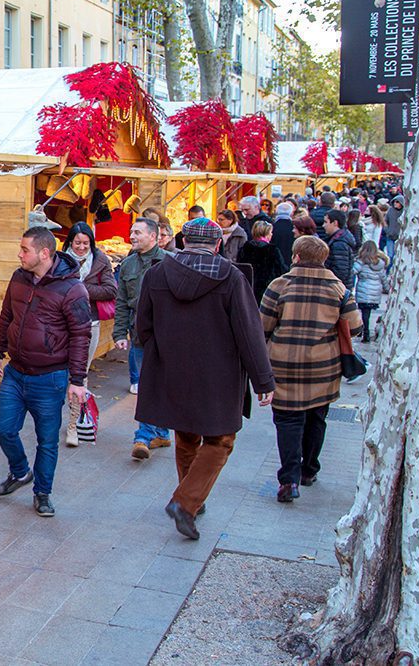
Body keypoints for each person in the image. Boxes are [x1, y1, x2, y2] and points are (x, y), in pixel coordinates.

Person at [134, 219, 275, 539]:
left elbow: (142, 326)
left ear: (183, 241)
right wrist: (263, 381)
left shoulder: (156, 274)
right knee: (221, 440)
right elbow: (249, 333)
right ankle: (186, 502)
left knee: (186, 435)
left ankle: (192, 497)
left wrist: (163, 352)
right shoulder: (231, 277)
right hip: (218, 373)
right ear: (217, 244)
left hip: (172, 368)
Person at [0, 226, 91, 518]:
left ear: (44, 253)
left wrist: (77, 380)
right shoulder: (19, 277)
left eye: (25, 250)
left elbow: (81, 335)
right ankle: (21, 472)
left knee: (46, 440)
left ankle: (42, 493)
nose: (20, 254)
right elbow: (6, 314)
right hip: (16, 372)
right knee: (3, 429)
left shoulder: (73, 289)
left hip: (50, 378)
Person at [260, 237, 362, 502]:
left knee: (288, 421)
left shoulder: (279, 285)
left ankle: (288, 480)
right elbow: (355, 327)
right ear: (323, 259)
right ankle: (308, 470)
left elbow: (263, 327)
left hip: (283, 364)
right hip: (323, 367)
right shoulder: (338, 289)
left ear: (295, 256)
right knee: (317, 418)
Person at [113, 218, 172, 459]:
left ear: (154, 236)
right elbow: (121, 303)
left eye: (137, 232)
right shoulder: (127, 265)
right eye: (131, 232)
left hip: (165, 336)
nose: (132, 236)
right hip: (138, 336)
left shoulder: (170, 263)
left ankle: (143, 436)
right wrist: (119, 333)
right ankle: (160, 433)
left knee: (153, 386)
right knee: (150, 385)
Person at [61, 223, 116, 447]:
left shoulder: (101, 260)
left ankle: (73, 426)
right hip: (60, 324)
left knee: (79, 374)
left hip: (88, 323)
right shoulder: (59, 260)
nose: (82, 247)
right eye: (77, 243)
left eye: (86, 243)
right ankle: (52, 419)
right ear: (70, 242)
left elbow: (111, 290)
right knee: (57, 374)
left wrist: (81, 288)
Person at [238, 221, 288, 303]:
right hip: (267, 289)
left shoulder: (245, 248)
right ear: (266, 233)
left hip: (247, 288)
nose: (272, 234)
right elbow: (281, 269)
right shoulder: (272, 250)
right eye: (270, 232)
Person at [352, 241, 391, 343]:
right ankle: (364, 331)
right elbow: (383, 279)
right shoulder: (380, 264)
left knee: (363, 312)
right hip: (375, 292)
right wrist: (388, 289)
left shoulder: (361, 262)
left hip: (363, 291)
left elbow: (353, 271)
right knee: (367, 313)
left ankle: (365, 332)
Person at [322, 210, 357, 290]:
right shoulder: (339, 239)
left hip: (336, 288)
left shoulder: (339, 244)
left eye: (325, 222)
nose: (323, 225)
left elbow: (341, 272)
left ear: (335, 223)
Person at [271, 202, 296, 269]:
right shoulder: (294, 228)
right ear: (291, 213)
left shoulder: (272, 228)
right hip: (291, 262)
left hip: (275, 263)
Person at [384, 194, 405, 263]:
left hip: (399, 238)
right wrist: (387, 230)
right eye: (395, 201)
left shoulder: (404, 212)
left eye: (397, 202)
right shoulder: (390, 210)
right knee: (390, 255)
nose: (395, 203)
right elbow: (385, 221)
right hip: (390, 236)